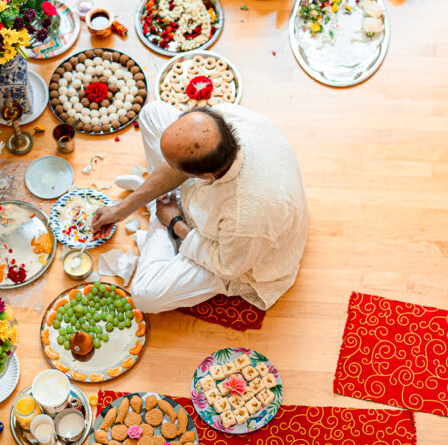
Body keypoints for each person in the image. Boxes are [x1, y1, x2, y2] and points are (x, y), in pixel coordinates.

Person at [91, 101, 307, 314]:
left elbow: (227, 266)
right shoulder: (225, 114)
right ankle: (160, 200)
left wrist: (174, 222)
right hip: (226, 193)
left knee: (145, 296)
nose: (165, 168)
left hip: (240, 256)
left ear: (203, 176)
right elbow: (172, 169)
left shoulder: (245, 218)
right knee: (151, 112)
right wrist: (121, 209)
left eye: (173, 168)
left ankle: (159, 215)